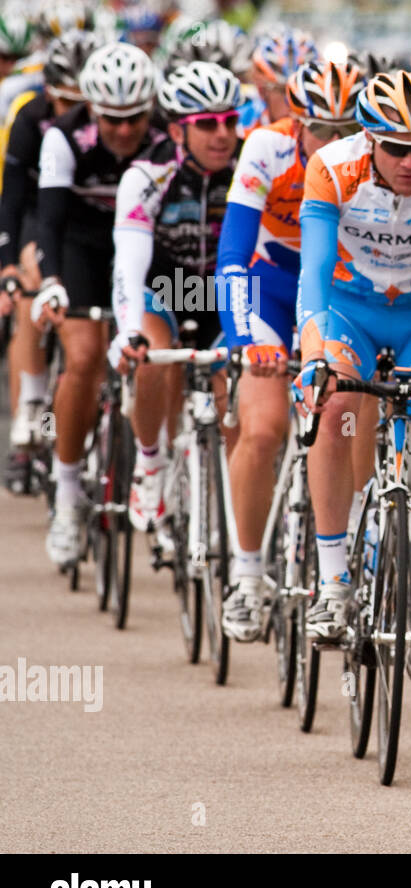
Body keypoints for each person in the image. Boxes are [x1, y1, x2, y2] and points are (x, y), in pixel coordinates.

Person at [294, 71, 411, 688]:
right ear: (369, 139)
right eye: (395, 148)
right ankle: (333, 580)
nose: (410, 161)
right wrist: (313, 348)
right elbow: (316, 268)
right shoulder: (330, 166)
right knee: (334, 405)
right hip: (350, 311)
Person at [217, 57, 364, 642]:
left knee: (354, 410)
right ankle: (248, 575)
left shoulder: (376, 161)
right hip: (272, 289)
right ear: (295, 122)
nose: (333, 143)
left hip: (338, 293)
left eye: (345, 131)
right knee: (262, 427)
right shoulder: (264, 149)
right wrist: (246, 340)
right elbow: (231, 255)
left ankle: (358, 538)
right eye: (321, 130)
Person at [31, 41, 163, 568]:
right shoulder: (64, 137)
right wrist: (51, 280)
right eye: (113, 118)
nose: (126, 130)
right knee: (83, 357)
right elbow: (48, 219)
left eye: (135, 118)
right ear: (91, 108)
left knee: (162, 347)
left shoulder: (163, 138)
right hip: (83, 246)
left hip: (146, 244)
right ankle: (67, 497)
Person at [108, 62, 243, 535]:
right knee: (149, 358)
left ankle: (233, 505)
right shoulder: (148, 174)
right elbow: (129, 260)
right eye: (207, 125)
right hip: (163, 288)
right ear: (177, 131)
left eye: (230, 120)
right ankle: (149, 462)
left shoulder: (250, 169)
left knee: (239, 388)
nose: (222, 134)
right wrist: (127, 330)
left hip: (226, 294)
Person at [0, 29, 98, 493]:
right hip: (44, 215)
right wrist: (6, 268)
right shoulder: (29, 119)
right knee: (31, 280)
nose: (76, 114)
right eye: (66, 102)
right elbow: (12, 200)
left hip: (94, 219)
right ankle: (31, 403)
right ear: (49, 94)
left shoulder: (112, 130)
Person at [239, 27, 314, 135]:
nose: (294, 103)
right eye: (284, 91)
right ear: (262, 91)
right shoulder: (242, 124)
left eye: (305, 91)